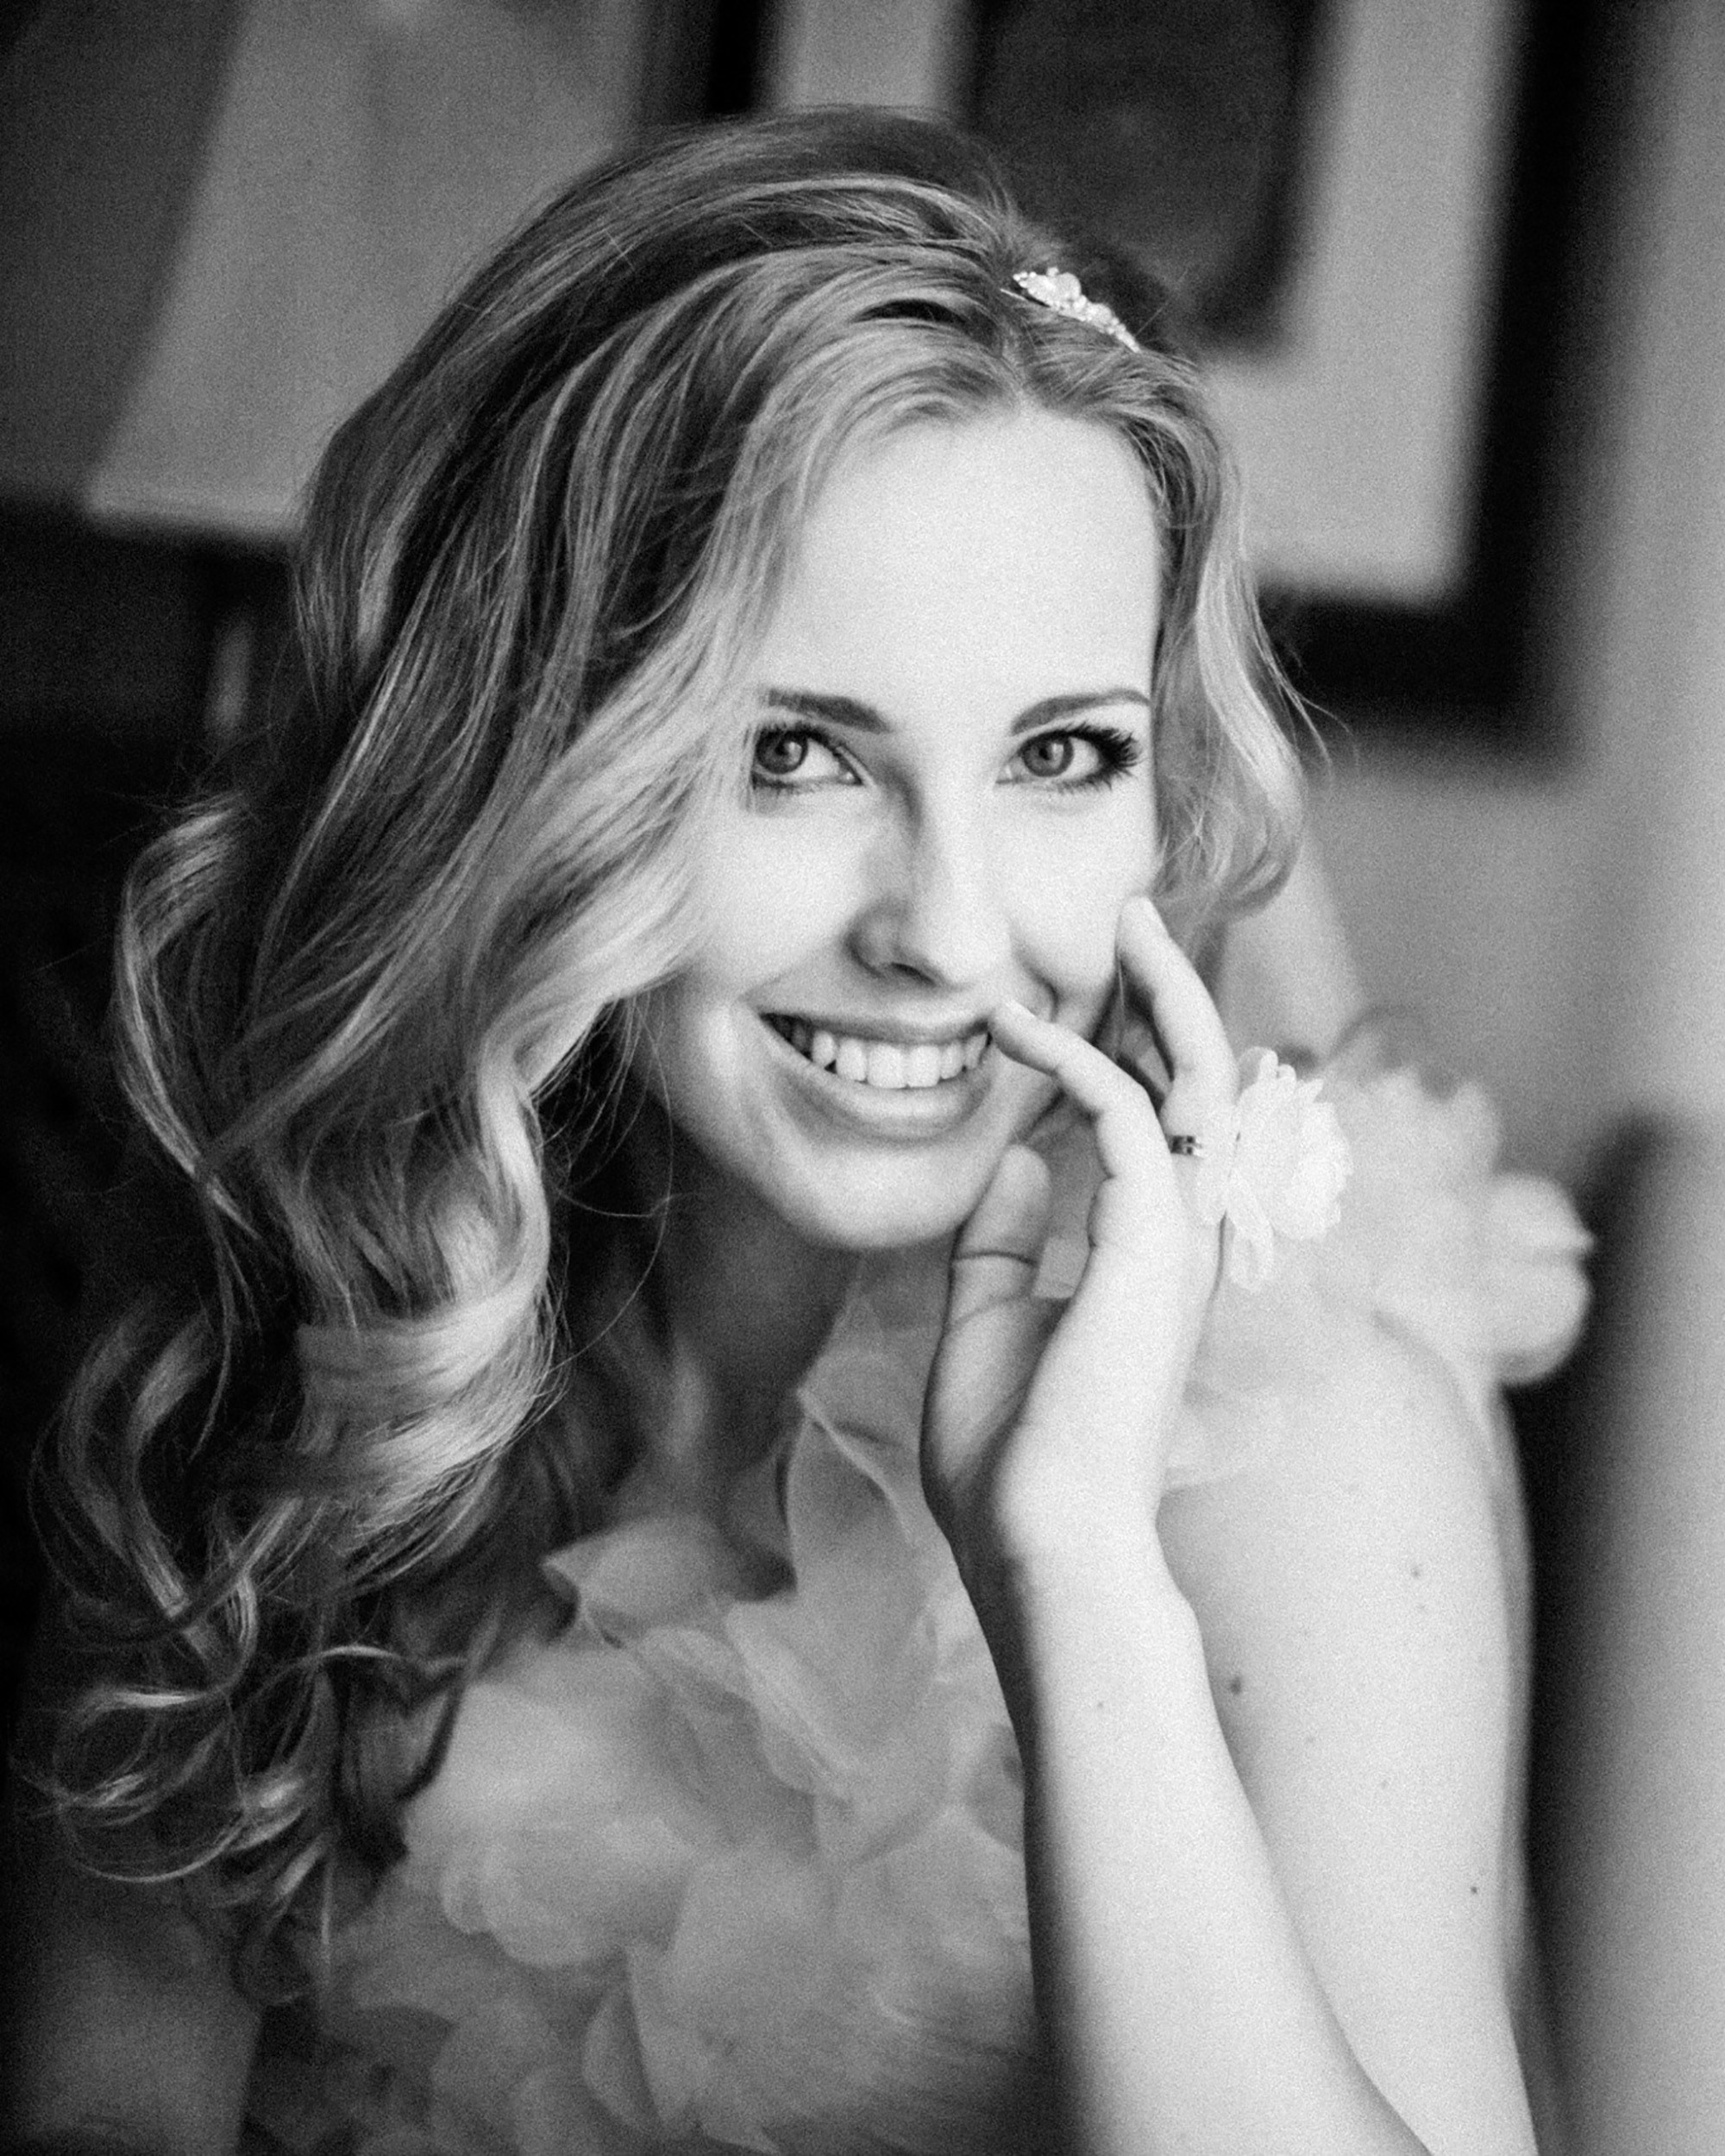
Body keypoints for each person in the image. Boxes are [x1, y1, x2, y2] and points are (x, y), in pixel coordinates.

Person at [3, 110, 1590, 2156]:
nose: (940, 930)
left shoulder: (1300, 1441)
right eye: (794, 750)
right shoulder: (307, 1356)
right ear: (536, 767)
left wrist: (1076, 1561)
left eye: (1061, 752)